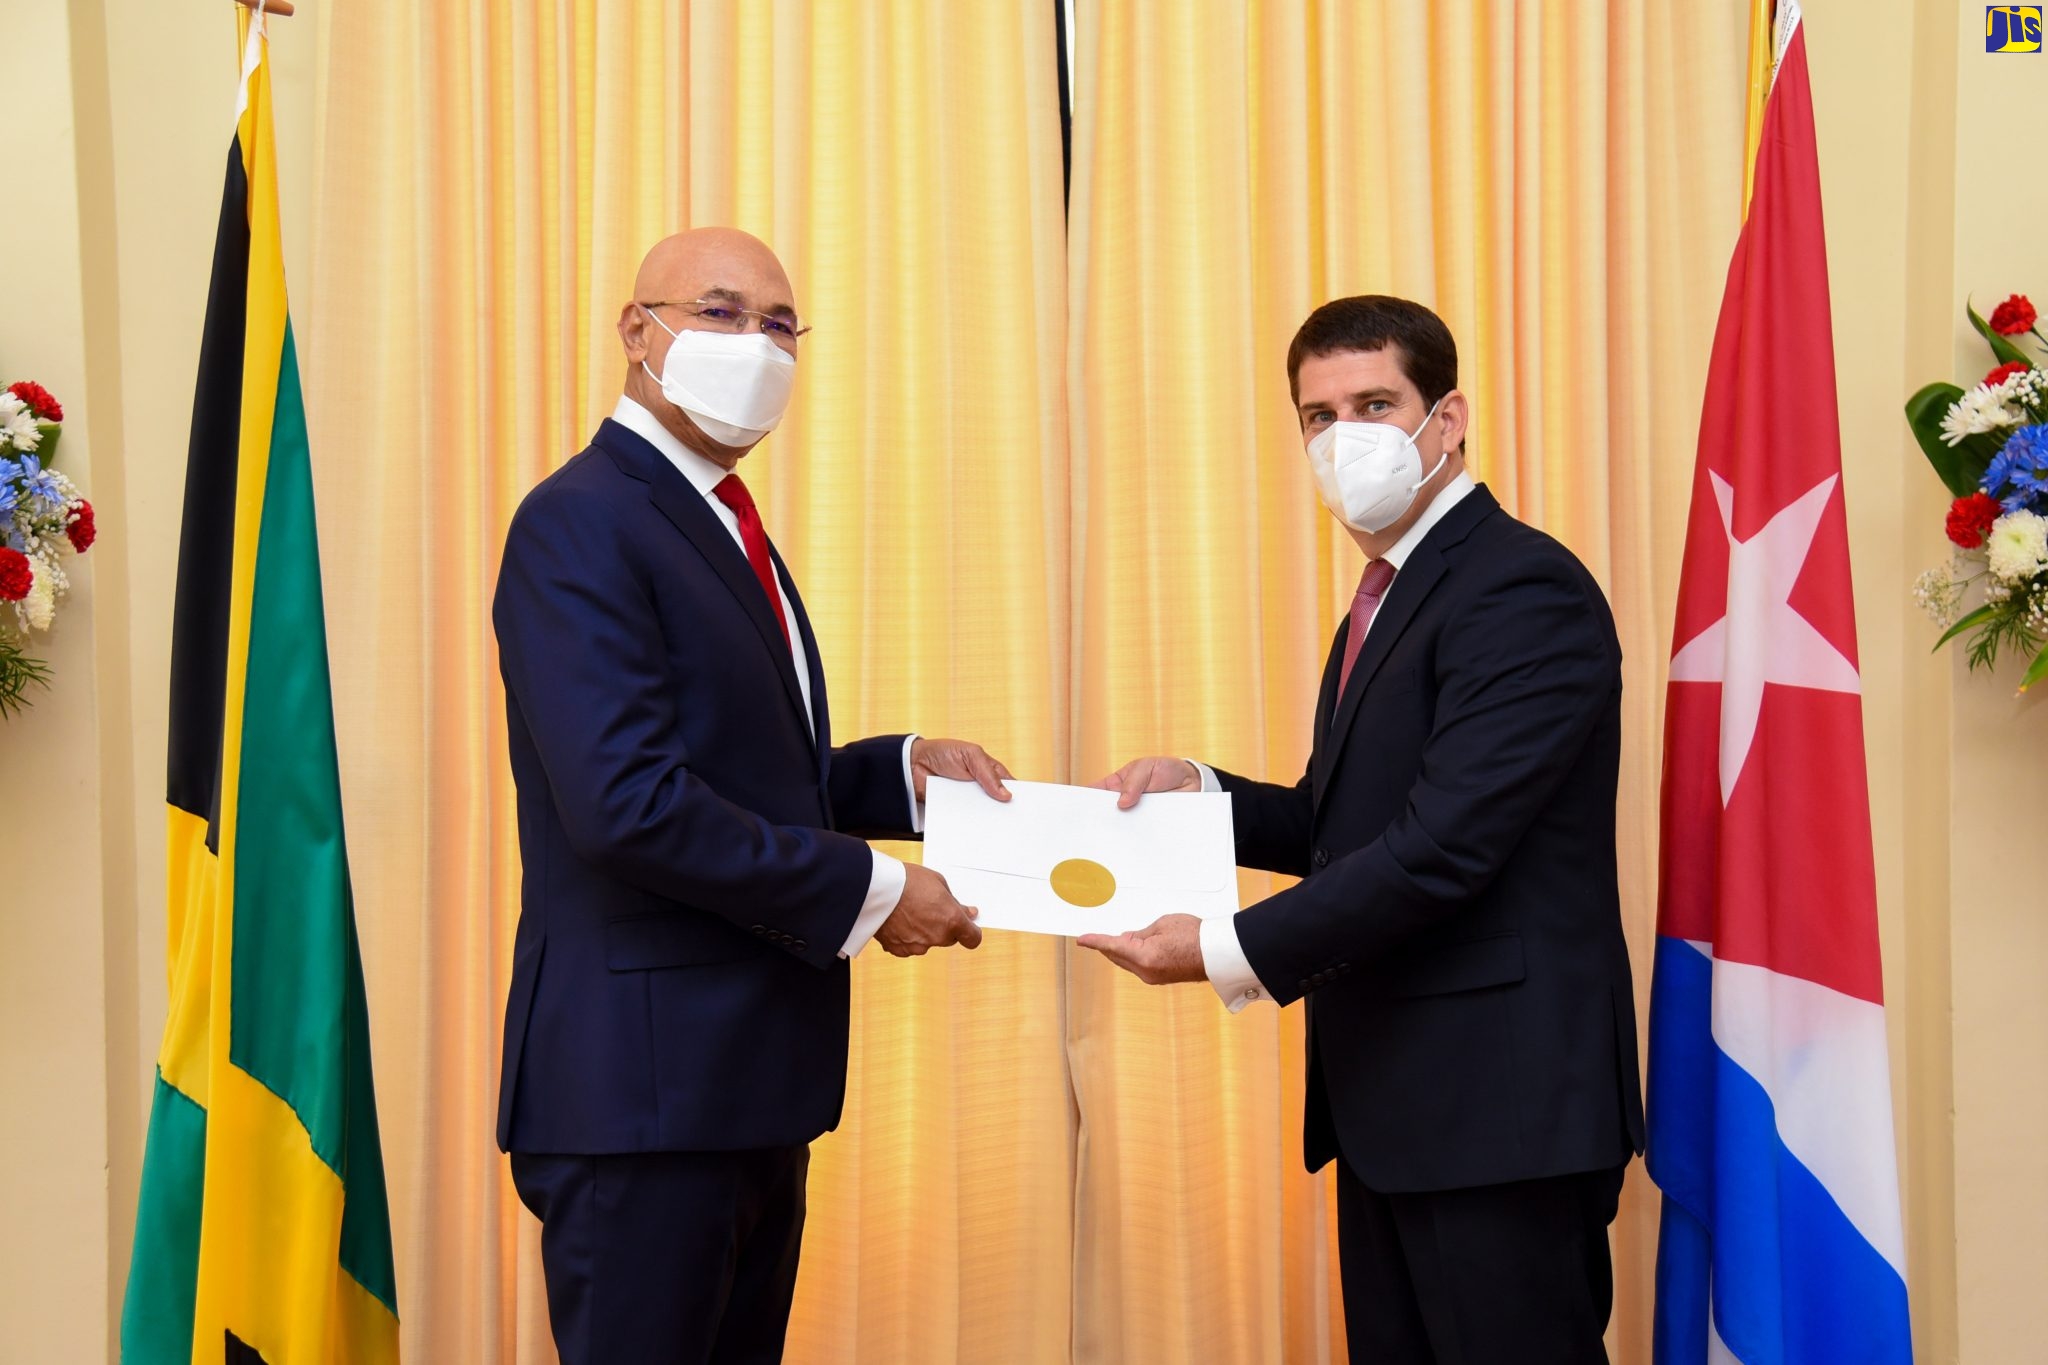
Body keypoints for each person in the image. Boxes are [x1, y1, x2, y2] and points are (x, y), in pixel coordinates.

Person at [1081, 296, 1645, 1364]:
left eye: (1374, 403)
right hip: (1398, 1108)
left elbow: (1442, 849)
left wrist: (1218, 950)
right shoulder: (1389, 594)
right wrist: (1196, 789)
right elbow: (1340, 823)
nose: (1344, 438)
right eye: (1316, 415)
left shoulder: (1516, 586)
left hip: (1498, 1115)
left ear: (1448, 418)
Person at [492, 227, 1011, 1364]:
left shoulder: (718, 522)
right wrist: (877, 890)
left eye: (780, 325)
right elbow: (628, 801)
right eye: (722, 313)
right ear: (638, 332)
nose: (758, 345)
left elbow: (741, 774)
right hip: (642, 1098)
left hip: (741, 1089)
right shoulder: (582, 518)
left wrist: (900, 773)